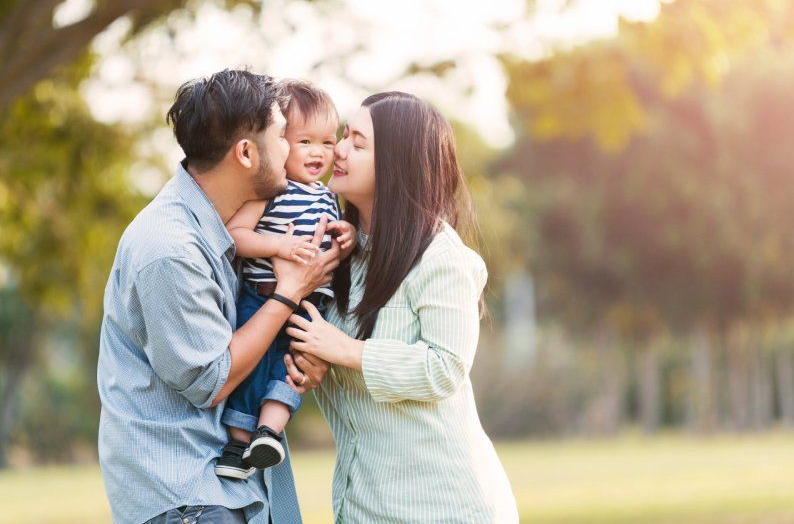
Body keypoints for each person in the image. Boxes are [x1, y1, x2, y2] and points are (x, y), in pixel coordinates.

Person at [97, 70, 339, 524]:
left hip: (226, 491)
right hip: (189, 500)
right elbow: (213, 379)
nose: (292, 149)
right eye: (282, 136)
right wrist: (288, 292)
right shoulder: (169, 249)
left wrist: (302, 355)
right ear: (246, 153)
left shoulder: (227, 231)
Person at [285, 91, 519, 522]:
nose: (338, 148)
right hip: (364, 507)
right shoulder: (342, 254)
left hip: (444, 507)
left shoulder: (439, 256)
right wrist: (316, 363)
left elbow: (444, 367)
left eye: (358, 142)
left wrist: (343, 350)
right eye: (344, 137)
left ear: (396, 163)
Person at [216, 79, 356, 479]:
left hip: (311, 304)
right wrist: (278, 247)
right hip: (262, 298)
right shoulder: (270, 191)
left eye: (328, 143)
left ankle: (267, 434)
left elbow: (333, 239)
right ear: (279, 142)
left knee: (291, 369)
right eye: (305, 141)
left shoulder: (329, 197)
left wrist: (344, 237)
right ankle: (237, 447)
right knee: (251, 368)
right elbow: (237, 238)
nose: (319, 153)